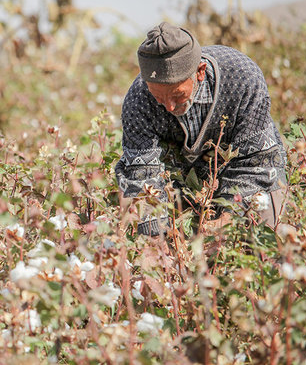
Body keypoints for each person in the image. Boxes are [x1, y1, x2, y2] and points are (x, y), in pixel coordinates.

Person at [115, 22, 287, 235]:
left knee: (265, 229)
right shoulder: (139, 99)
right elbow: (142, 175)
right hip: (178, 181)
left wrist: (230, 215)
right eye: (158, 97)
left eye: (178, 95)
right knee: (149, 237)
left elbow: (256, 161)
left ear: (200, 72)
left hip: (247, 169)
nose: (168, 106)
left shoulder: (243, 78)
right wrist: (159, 239)